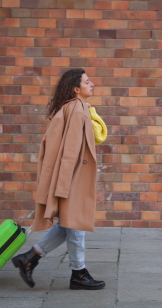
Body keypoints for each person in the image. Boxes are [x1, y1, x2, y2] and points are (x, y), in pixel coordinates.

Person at [12, 68, 105, 290]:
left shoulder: (75, 108)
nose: (92, 84)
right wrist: (64, 186)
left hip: (71, 177)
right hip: (71, 179)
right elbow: (71, 151)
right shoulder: (77, 109)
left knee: (68, 225)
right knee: (76, 227)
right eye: (87, 81)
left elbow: (94, 137)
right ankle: (78, 273)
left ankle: (29, 258)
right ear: (76, 89)